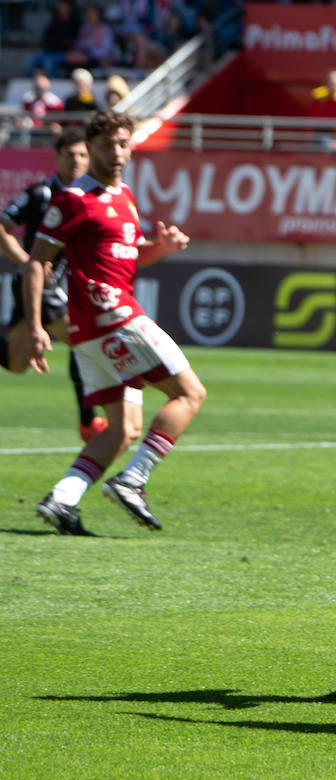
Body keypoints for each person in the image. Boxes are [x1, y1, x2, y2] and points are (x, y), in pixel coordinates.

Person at [20, 111, 205, 536]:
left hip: (92, 334)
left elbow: (130, 256)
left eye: (122, 144)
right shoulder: (72, 200)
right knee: (191, 394)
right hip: (113, 318)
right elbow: (35, 264)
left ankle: (62, 500)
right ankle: (133, 480)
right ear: (91, 150)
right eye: (106, 145)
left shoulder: (125, 198)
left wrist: (162, 247)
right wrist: (35, 326)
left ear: (131, 146)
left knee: (123, 430)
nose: (116, 153)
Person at [0, 126, 109, 442]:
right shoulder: (41, 194)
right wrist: (26, 261)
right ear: (57, 157)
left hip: (63, 288)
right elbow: (2, 226)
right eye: (70, 155)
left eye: (82, 155)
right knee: (82, 338)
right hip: (37, 286)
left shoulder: (92, 196)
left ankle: (89, 421)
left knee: (17, 363)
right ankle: (88, 422)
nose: (76, 161)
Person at [24, 0, 81, 78]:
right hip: (48, 52)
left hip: (64, 54)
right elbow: (47, 40)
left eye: (65, 7)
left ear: (70, 8)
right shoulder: (54, 22)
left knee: (48, 63)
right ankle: (29, 84)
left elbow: (69, 43)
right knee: (30, 60)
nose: (62, 9)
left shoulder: (75, 24)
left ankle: (50, 85)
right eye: (60, 6)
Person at [65, 6, 117, 71]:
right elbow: (78, 45)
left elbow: (105, 49)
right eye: (87, 13)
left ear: (99, 14)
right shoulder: (84, 28)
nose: (90, 15)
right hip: (83, 57)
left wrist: (90, 55)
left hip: (100, 60)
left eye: (92, 13)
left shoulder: (105, 28)